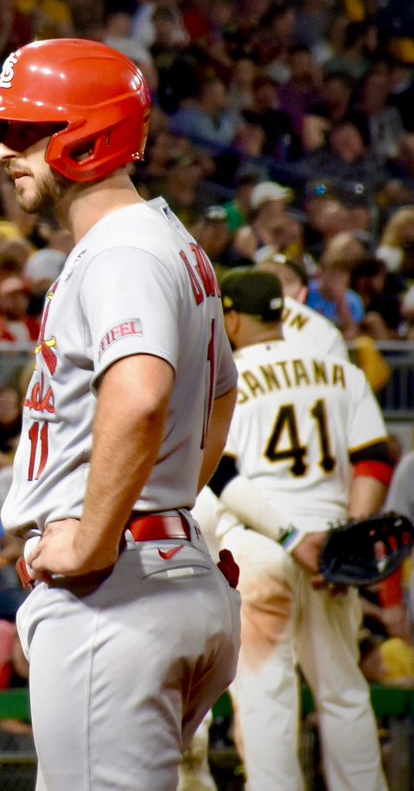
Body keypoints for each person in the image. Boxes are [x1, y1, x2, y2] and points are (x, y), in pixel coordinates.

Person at [0, 39, 242, 788]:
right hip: (163, 563)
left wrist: (95, 537)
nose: (2, 150)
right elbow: (221, 396)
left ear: (85, 137)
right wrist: (164, 499)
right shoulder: (168, 242)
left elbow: (143, 392)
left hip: (118, 589)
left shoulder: (121, 250)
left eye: (25, 131)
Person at [194, 269, 391, 791]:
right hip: (331, 548)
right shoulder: (339, 370)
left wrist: (290, 538)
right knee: (344, 693)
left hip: (262, 546)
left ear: (232, 316)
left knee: (265, 700)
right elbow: (373, 461)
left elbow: (220, 471)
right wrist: (341, 542)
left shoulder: (229, 379)